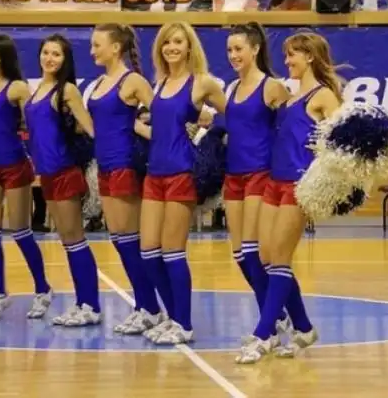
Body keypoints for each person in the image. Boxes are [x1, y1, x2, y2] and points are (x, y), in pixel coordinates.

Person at [236, 31, 339, 364]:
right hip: (274, 182)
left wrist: (324, 173)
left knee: (280, 260)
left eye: (292, 54)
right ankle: (304, 328)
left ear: (309, 56)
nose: (286, 61)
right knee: (265, 258)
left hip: (299, 186)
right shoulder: (291, 96)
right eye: (285, 55)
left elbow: (343, 144)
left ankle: (263, 335)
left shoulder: (324, 96)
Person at [137, 22, 227, 344]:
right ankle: (173, 317)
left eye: (178, 42)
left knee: (173, 252)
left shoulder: (201, 82)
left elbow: (234, 114)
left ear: (189, 47)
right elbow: (160, 132)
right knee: (149, 252)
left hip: (181, 172)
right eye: (166, 42)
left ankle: (184, 325)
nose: (171, 47)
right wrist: (135, 127)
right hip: (154, 173)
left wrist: (210, 134)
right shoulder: (159, 83)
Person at [87, 23, 163, 334]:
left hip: (124, 165)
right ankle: (144, 306)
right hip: (104, 166)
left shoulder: (132, 81)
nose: (92, 51)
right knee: (119, 241)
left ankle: (150, 309)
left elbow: (164, 117)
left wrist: (141, 129)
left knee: (130, 242)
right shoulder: (100, 81)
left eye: (97, 45)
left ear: (116, 47)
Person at [222, 23, 293, 351]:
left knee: (255, 253)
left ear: (255, 49)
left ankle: (270, 323)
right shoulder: (231, 88)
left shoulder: (272, 87)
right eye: (229, 50)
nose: (233, 55)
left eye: (239, 49)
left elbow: (291, 128)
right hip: (232, 176)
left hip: (259, 175)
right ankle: (279, 315)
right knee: (240, 255)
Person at [0, 33, 52, 321]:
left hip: (14, 165)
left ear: (3, 55)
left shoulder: (18, 87)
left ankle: (42, 289)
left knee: (21, 231)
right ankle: (0, 293)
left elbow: (36, 124)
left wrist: (44, 157)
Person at [25, 34, 101, 326]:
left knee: (75, 239)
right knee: (67, 241)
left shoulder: (67, 90)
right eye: (46, 52)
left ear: (65, 59)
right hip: (46, 174)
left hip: (66, 171)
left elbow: (90, 128)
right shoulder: (37, 90)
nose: (49, 58)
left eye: (56, 54)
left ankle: (90, 305)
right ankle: (82, 303)